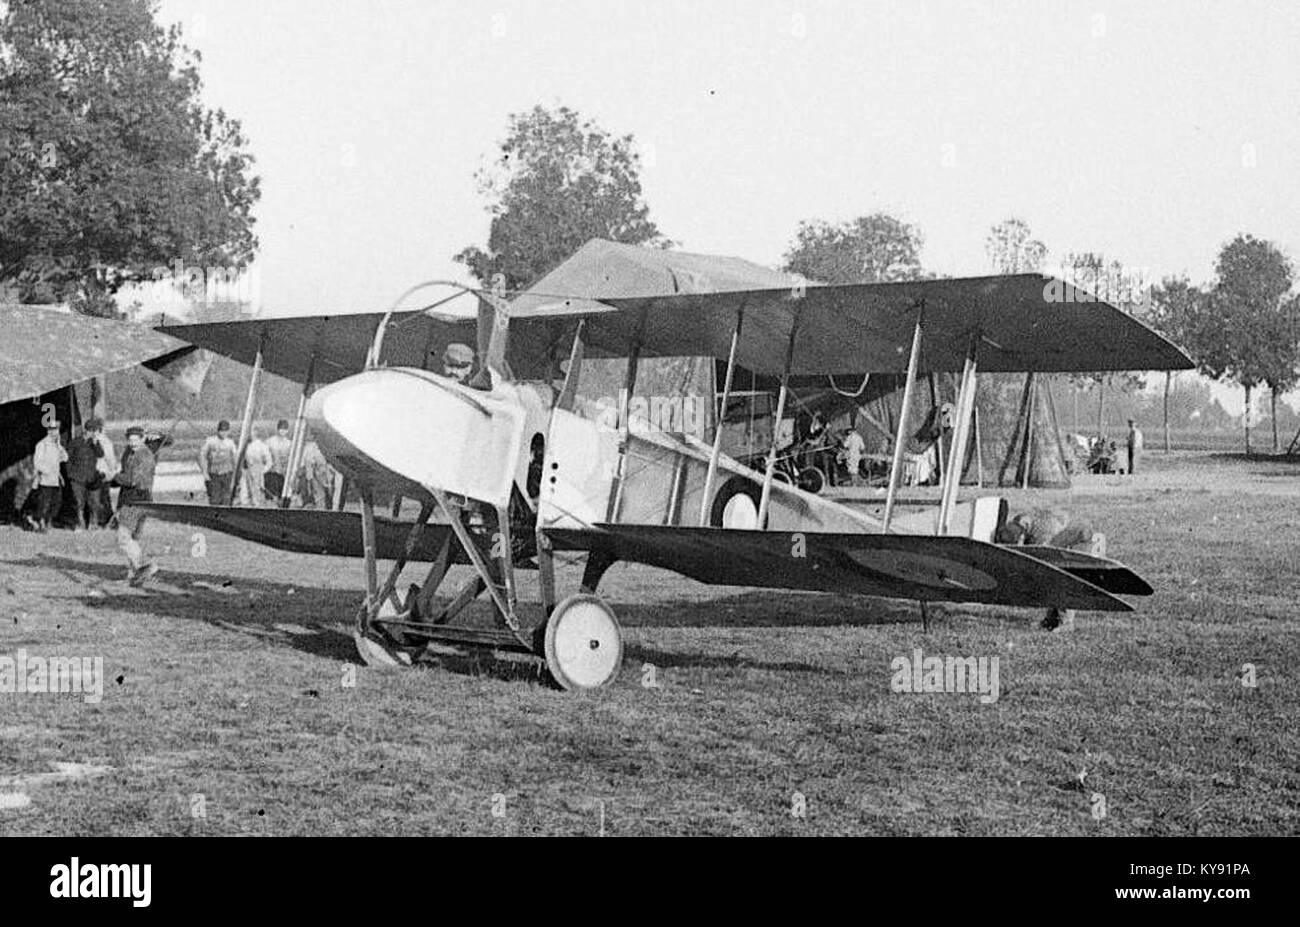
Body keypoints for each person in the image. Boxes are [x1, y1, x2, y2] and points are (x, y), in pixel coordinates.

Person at [111, 425, 158, 585]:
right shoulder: (130, 453)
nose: (132, 443)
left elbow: (132, 480)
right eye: (130, 440)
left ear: (143, 439)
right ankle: (133, 575)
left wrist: (114, 476)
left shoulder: (144, 455)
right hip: (131, 497)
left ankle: (144, 565)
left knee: (123, 537)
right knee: (132, 539)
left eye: (136, 440)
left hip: (137, 499)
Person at [66, 419, 107, 530]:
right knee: (79, 502)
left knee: (94, 502)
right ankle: (80, 524)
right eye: (91, 430)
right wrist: (70, 474)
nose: (92, 433)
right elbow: (68, 459)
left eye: (94, 430)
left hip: (91, 478)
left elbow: (101, 454)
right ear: (86, 430)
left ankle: (93, 524)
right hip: (77, 478)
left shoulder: (94, 443)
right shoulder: (75, 442)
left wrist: (95, 444)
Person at [31, 422, 67, 531]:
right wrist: (47, 471)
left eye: (56, 430)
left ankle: (48, 521)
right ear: (48, 431)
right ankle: (41, 522)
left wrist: (60, 446)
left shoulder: (56, 445)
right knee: (44, 502)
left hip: (55, 478)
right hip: (45, 479)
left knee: (55, 502)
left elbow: (65, 458)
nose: (54, 432)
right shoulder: (42, 444)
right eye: (52, 430)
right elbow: (37, 462)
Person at [199, 420, 238, 505]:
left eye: (226, 431)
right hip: (214, 474)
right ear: (218, 431)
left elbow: (235, 458)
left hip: (227, 474)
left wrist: (236, 474)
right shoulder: (210, 441)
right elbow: (202, 456)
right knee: (214, 498)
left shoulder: (230, 443)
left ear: (228, 431)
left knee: (226, 498)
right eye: (221, 431)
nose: (223, 433)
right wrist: (205, 473)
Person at [241, 426, 273, 506]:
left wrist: (261, 471)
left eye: (252, 432)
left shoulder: (262, 446)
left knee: (257, 494)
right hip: (247, 472)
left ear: (256, 433)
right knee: (245, 493)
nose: (250, 434)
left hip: (257, 472)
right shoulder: (246, 445)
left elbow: (269, 461)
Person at [265, 419, 293, 500]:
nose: (283, 431)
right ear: (278, 429)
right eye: (281, 429)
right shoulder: (270, 441)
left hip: (283, 472)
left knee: (282, 492)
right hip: (272, 471)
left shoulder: (289, 443)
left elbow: (289, 457)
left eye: (285, 429)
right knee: (272, 493)